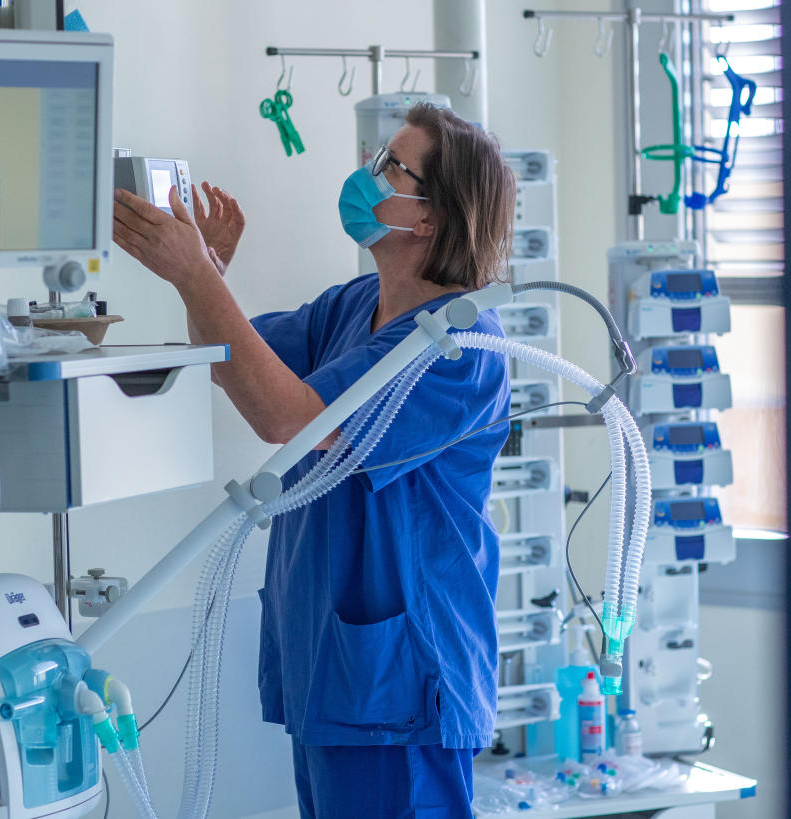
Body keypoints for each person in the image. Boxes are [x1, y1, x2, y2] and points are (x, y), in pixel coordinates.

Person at [112, 103, 516, 818]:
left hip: (401, 688)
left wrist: (197, 278)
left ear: (430, 217)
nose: (367, 176)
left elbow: (286, 416)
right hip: (335, 670)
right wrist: (203, 274)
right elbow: (237, 366)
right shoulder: (356, 305)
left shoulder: (456, 348)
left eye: (392, 166)